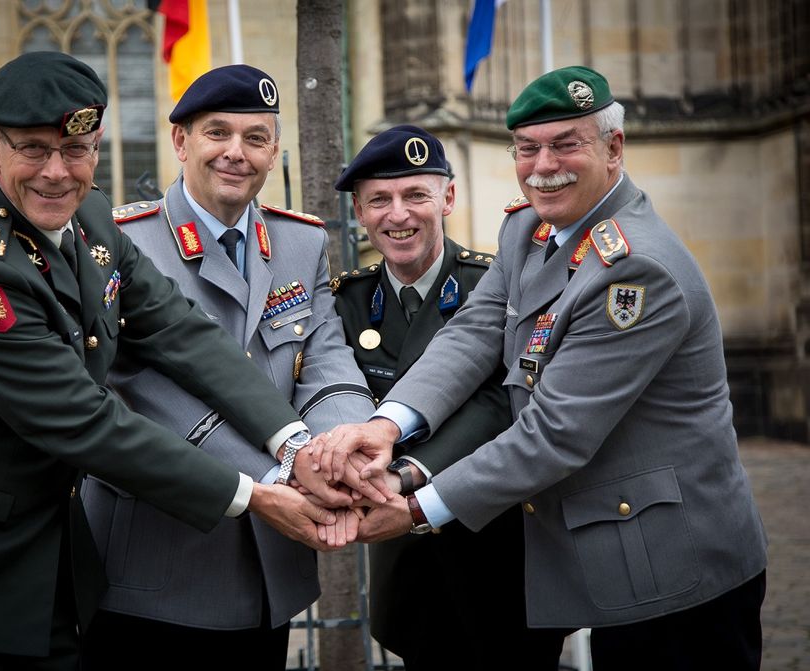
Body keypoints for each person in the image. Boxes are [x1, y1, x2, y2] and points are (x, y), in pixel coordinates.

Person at [0, 51, 339, 671]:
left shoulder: (90, 217)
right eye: (34, 150)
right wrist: (257, 496)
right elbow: (87, 422)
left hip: (38, 559)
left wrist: (292, 444)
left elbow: (179, 330)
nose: (59, 173)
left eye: (78, 150)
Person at [317, 66, 769, 670]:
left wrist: (415, 505)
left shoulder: (634, 270)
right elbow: (474, 333)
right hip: (612, 560)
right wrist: (387, 426)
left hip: (673, 569)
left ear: (614, 148)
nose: (542, 164)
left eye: (565, 144)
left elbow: (554, 434)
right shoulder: (530, 228)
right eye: (527, 148)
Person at [79, 64, 377, 671]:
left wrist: (345, 447)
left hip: (268, 573)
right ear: (181, 141)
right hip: (153, 568)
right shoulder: (119, 242)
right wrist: (282, 473)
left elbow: (322, 358)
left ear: (274, 154)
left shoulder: (301, 243)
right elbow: (136, 385)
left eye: (256, 137)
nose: (236, 153)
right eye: (218, 133)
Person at [330, 124, 565, 669]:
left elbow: (501, 402)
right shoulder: (348, 300)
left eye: (416, 195)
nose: (399, 215)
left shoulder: (496, 286)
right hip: (405, 562)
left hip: (499, 549)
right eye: (379, 201)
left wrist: (408, 472)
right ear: (361, 214)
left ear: (448, 199)